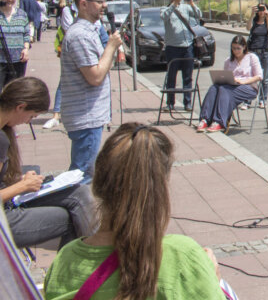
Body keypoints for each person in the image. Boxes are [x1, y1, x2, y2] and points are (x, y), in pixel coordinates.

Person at [43, 123, 225, 299]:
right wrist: (211, 280)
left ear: (97, 185)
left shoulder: (65, 261)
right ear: (161, 188)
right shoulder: (180, 258)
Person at [1, 77, 95, 250]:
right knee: (70, 216)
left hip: (7, 205)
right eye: (31, 116)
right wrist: (22, 186)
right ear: (20, 107)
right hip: (4, 217)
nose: (28, 121)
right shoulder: (1, 140)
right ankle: (98, 261)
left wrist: (18, 180)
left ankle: (98, 257)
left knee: (78, 192)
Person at [61, 0, 122, 182]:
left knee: (84, 171)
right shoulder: (80, 35)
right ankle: (78, 212)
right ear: (83, 4)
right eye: (100, 1)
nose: (104, 5)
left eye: (105, 0)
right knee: (82, 175)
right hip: (85, 116)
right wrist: (112, 47)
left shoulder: (90, 30)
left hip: (90, 114)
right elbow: (95, 76)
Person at [195, 36, 262, 133]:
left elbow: (259, 76)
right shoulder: (229, 60)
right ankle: (205, 119)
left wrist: (243, 82)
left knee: (224, 90)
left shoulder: (251, 57)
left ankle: (219, 121)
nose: (236, 51)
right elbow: (225, 75)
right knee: (214, 88)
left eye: (238, 48)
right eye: (233, 48)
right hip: (231, 86)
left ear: (244, 47)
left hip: (248, 87)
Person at [160, 0, 196, 112]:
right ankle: (170, 103)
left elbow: (198, 15)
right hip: (173, 47)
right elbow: (164, 17)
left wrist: (192, 3)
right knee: (171, 76)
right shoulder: (165, 8)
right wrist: (173, 5)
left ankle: (188, 103)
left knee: (187, 76)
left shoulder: (185, 8)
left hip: (187, 46)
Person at [45, 0, 75, 130]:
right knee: (64, 81)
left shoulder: (92, 13)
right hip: (70, 51)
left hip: (87, 51)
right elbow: (70, 31)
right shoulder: (69, 11)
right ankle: (56, 115)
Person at [0, 0, 32, 89]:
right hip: (1, 60)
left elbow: (27, 34)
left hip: (18, 60)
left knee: (15, 91)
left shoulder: (21, 14)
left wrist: (26, 49)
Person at [246, 2, 268, 107]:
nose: (261, 11)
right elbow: (248, 28)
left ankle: (262, 100)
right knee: (252, 77)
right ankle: (248, 101)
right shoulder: (254, 21)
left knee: (265, 79)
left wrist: (267, 17)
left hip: (265, 52)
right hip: (253, 52)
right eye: (260, 9)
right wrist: (252, 14)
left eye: (263, 9)